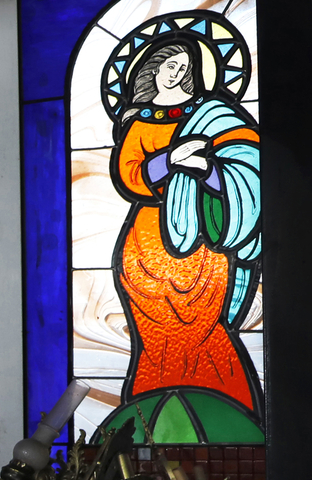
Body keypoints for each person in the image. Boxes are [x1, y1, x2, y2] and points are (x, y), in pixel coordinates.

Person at [109, 32, 262, 416]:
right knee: (156, 337)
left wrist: (208, 169)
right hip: (146, 244)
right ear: (152, 69)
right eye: (167, 65)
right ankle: (151, 412)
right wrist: (170, 160)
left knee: (205, 330)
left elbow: (244, 161)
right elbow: (130, 175)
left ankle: (225, 410)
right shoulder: (139, 119)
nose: (174, 73)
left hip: (204, 244)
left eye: (182, 67)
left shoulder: (210, 114)